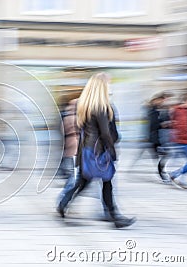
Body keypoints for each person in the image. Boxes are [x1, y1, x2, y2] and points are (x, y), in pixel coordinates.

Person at [57, 72, 136, 228]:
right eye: (108, 83)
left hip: (87, 150)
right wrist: (112, 150)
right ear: (102, 86)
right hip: (99, 152)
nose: (110, 86)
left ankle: (63, 204)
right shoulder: (103, 107)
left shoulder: (84, 106)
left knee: (85, 181)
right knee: (105, 181)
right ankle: (115, 216)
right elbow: (106, 133)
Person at [168, 93, 187, 189]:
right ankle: (175, 175)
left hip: (181, 140)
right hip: (184, 141)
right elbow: (183, 127)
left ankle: (177, 176)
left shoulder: (179, 110)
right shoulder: (182, 111)